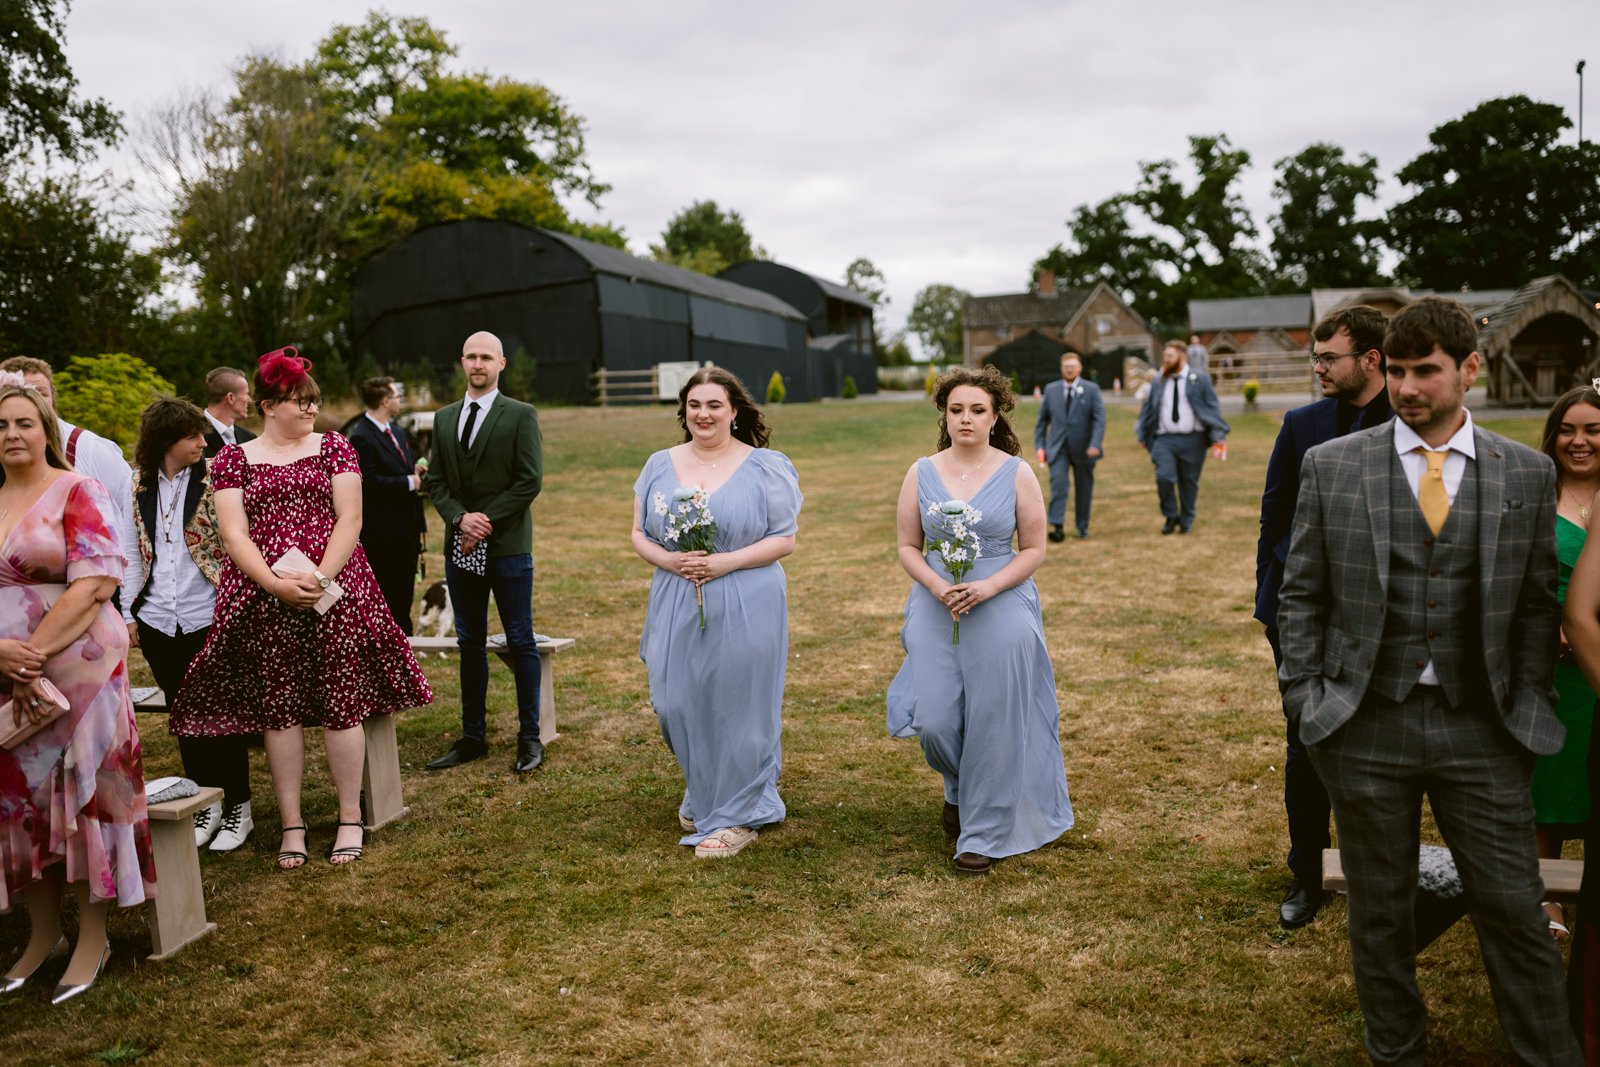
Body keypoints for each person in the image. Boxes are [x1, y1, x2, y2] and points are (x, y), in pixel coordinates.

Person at [1278, 296, 1580, 1064]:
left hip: (1483, 727)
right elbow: (1301, 595)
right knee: (1379, 915)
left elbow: (1539, 605)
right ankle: (1397, 1052)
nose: (1408, 388)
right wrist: (1310, 705)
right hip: (1363, 723)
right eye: (1399, 371)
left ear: (1469, 370)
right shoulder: (1334, 464)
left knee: (1514, 909)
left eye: (1427, 371)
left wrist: (1528, 701)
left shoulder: (1528, 470)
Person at [171, 348, 433, 869]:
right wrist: (273, 584)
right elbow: (232, 532)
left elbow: (350, 519)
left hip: (333, 593)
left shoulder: (334, 447)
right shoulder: (232, 460)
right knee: (280, 710)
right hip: (265, 600)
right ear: (267, 405)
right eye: (299, 401)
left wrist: (318, 578)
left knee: (342, 705)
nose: (311, 410)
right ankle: (291, 826)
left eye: (313, 401)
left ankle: (348, 817)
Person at [0, 379, 154, 1004]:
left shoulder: (78, 489)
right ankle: (42, 936)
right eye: (0, 426)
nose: (11, 435)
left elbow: (94, 584)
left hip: (80, 672)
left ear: (48, 429)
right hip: (8, 676)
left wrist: (29, 660)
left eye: (22, 423)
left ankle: (94, 935)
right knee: (23, 806)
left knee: (86, 801)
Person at [887, 365, 1074, 876]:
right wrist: (934, 584)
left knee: (995, 718)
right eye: (956, 410)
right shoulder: (920, 471)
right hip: (935, 598)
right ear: (944, 416)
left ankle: (984, 831)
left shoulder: (1016, 472)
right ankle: (958, 787)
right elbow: (908, 545)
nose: (965, 419)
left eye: (977, 410)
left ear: (995, 417)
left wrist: (988, 586)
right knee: (934, 720)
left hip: (1001, 596)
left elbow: (1033, 549)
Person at [1254, 304, 1392, 929]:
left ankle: (1380, 875)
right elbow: (1274, 517)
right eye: (1315, 357)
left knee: (1384, 747)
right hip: (1304, 617)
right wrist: (1272, 603)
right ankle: (1306, 873)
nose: (1317, 368)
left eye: (1327, 357)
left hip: (1384, 618)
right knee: (1307, 746)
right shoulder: (1302, 424)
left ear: (1371, 359)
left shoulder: (1409, 421)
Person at [630, 367, 801, 859]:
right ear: (684, 411)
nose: (703, 414)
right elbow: (639, 532)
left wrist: (722, 562)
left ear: (734, 412)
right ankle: (705, 787)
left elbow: (783, 539)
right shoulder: (659, 464)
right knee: (674, 702)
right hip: (677, 593)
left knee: (739, 707)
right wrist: (671, 560)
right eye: (694, 405)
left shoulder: (765, 465)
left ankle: (739, 814)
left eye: (714, 405)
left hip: (748, 594)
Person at [120, 396, 253, 852]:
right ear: (165, 441)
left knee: (225, 716)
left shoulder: (218, 477)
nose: (203, 441)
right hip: (159, 619)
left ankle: (240, 806)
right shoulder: (136, 483)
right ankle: (204, 801)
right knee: (186, 717)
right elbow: (133, 552)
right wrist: (128, 615)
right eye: (192, 435)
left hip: (209, 614)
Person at [425, 332, 546, 775]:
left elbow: (529, 480)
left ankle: (529, 738)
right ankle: (473, 737)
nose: (478, 364)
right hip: (460, 544)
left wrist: (485, 521)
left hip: (508, 546)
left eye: (486, 357)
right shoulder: (443, 418)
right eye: (471, 357)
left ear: (501, 364)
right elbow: (436, 481)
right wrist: (460, 520)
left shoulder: (520, 415)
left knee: (520, 638)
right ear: (462, 362)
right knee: (469, 641)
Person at [1534, 386, 1600, 939]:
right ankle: (1549, 896)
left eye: (1593, 430)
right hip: (1552, 669)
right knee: (1548, 780)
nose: (1579, 441)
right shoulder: (1535, 494)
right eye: (1568, 429)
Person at [0, 357, 134, 543]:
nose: (29, 401)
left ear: (53, 399)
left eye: (40, 393)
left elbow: (131, 512)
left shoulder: (93, 450)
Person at [347, 376, 425, 635]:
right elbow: (368, 482)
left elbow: (396, 467)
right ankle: (389, 639)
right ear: (384, 401)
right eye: (396, 397)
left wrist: (412, 470)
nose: (399, 401)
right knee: (388, 590)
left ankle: (405, 637)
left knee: (405, 589)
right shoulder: (362, 436)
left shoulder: (397, 431)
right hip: (384, 532)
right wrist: (408, 482)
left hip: (407, 528)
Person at [1134, 340, 1229, 535]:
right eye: (1165, 356)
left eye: (1170, 356)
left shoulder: (1200, 379)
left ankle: (1186, 520)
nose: (1166, 360)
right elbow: (1149, 408)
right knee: (1164, 477)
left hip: (1193, 439)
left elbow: (1212, 408)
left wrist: (1218, 434)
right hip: (1164, 439)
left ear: (1182, 357)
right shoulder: (1158, 379)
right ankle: (1171, 515)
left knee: (1189, 481)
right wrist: (1142, 432)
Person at [1032, 351, 1106, 541]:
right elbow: (1042, 422)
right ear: (1061, 368)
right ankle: (1057, 526)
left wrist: (1095, 444)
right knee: (1059, 485)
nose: (1070, 369)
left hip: (1085, 449)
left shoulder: (1092, 390)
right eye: (1066, 366)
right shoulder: (1051, 390)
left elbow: (1099, 420)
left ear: (1080, 368)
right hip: (1058, 448)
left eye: (1073, 366)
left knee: (1084, 488)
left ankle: (1083, 526)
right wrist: (1040, 446)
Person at [201, 367, 256, 456]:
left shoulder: (249, 438)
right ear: (231, 398)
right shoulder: (192, 434)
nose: (249, 400)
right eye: (246, 394)